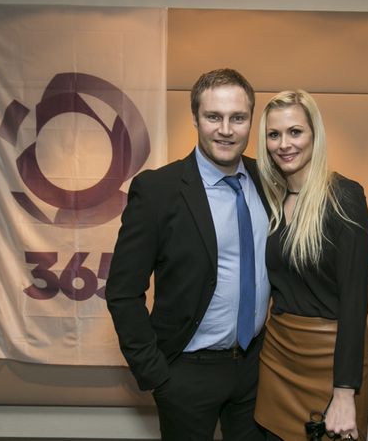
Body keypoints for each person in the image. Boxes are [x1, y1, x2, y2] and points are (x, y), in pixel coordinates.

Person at [105, 68, 270, 441]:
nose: (225, 129)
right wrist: (157, 375)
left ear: (251, 121)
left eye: (237, 118)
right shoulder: (158, 190)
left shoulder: (268, 180)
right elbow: (122, 291)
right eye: (213, 116)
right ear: (195, 118)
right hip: (186, 372)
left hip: (255, 370)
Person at [253, 90, 368, 440]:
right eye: (273, 135)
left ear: (314, 135)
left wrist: (345, 392)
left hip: (331, 359)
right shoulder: (269, 200)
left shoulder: (344, 197)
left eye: (295, 132)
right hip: (278, 356)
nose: (284, 144)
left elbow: (355, 302)